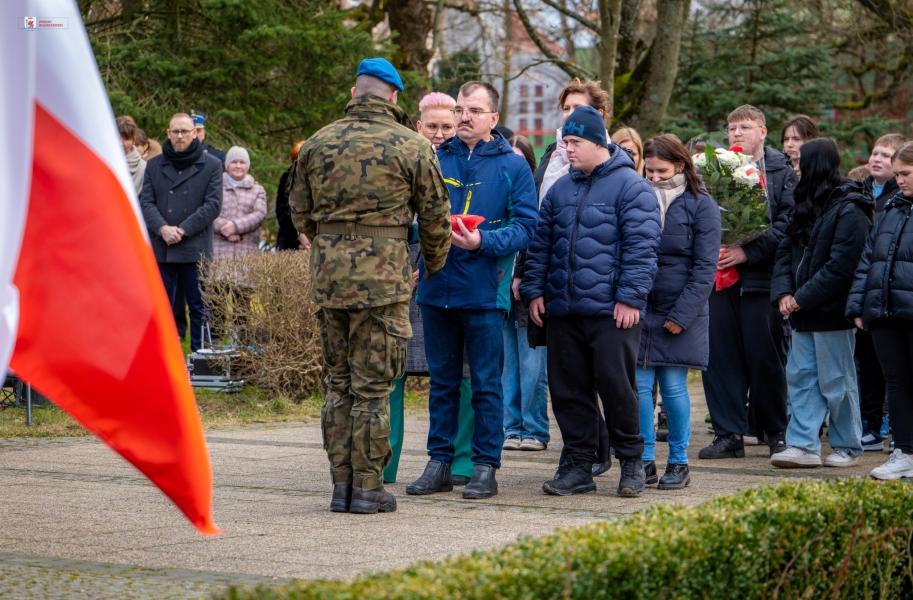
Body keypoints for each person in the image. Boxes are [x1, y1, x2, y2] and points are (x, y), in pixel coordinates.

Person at [288, 58, 451, 514]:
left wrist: (328, 242)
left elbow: (298, 212)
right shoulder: (412, 146)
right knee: (373, 388)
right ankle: (367, 487)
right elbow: (437, 218)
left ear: (355, 92)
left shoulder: (317, 143)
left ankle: (340, 486)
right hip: (384, 283)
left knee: (338, 384)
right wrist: (433, 266)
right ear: (394, 97)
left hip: (329, 282)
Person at [408, 80, 538, 500]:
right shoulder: (432, 159)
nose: (465, 118)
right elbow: (412, 216)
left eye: (474, 111)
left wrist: (484, 242)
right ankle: (439, 462)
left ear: (493, 119)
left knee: (485, 383)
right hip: (436, 286)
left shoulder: (512, 165)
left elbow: (527, 226)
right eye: (461, 109)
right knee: (442, 382)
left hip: (485, 288)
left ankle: (485, 466)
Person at [522, 106, 661, 497]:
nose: (567, 150)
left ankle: (632, 463)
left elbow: (643, 248)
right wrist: (534, 291)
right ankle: (580, 465)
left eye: (575, 142)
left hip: (611, 312)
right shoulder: (561, 189)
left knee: (618, 388)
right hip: (563, 310)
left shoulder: (632, 188)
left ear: (599, 142)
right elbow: (541, 245)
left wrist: (631, 297)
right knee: (568, 392)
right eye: (564, 142)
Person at [384, 91, 476, 487]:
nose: (439, 134)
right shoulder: (398, 159)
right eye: (432, 126)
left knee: (461, 370)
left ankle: (460, 461)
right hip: (405, 276)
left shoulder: (466, 161)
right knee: (393, 370)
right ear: (418, 126)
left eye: (447, 127)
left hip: (455, 273)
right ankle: (383, 461)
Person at [700, 104, 796, 460]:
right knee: (720, 358)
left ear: (763, 131)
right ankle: (728, 433)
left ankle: (775, 431)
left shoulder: (782, 172)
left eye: (744, 127)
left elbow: (787, 225)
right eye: (732, 128)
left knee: (765, 358)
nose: (736, 133)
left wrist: (748, 252)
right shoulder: (716, 167)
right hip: (720, 278)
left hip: (761, 278)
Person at [769, 138, 870, 468]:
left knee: (837, 381)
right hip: (802, 312)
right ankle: (803, 444)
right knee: (800, 377)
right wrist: (784, 293)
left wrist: (800, 298)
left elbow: (841, 266)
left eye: (800, 164)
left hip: (831, 313)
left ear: (816, 166)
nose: (795, 169)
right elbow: (785, 250)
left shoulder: (850, 207)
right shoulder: (805, 203)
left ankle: (847, 444)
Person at [532, 78, 614, 477]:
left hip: (599, 291)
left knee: (600, 378)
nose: (569, 117)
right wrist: (527, 280)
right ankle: (578, 450)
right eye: (564, 109)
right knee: (564, 378)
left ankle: (604, 449)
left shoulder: (614, 161)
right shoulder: (551, 155)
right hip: (554, 284)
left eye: (578, 109)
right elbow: (538, 220)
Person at [638, 134, 721, 489]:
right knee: (639, 388)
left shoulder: (702, 205)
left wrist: (681, 315)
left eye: (661, 170)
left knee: (672, 387)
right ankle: (641, 459)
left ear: (681, 165)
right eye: (649, 170)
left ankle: (678, 461)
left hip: (679, 310)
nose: (653, 177)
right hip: (640, 307)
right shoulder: (637, 197)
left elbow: (705, 268)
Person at [846, 141, 913, 480]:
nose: (899, 180)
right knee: (897, 382)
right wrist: (860, 304)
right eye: (898, 174)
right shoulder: (890, 208)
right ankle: (904, 451)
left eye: (905, 173)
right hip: (886, 312)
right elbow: (868, 260)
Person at [140, 112, 222, 352]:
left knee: (198, 305)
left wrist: (183, 230)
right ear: (168, 133)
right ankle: (164, 358)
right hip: (162, 245)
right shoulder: (154, 166)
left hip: (194, 246)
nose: (179, 136)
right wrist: (163, 228)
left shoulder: (212, 165)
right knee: (162, 306)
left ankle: (199, 356)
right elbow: (146, 202)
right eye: (175, 131)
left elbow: (213, 205)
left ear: (195, 133)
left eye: (185, 131)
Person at [856, 133, 905, 451]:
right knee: (880, 373)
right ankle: (886, 434)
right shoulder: (874, 201)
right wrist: (859, 302)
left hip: (903, 302)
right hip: (878, 302)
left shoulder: (896, 203)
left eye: (886, 155)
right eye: (874, 152)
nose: (876, 159)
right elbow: (868, 259)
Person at [501, 135, 549, 452]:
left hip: (527, 291)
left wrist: (524, 279)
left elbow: (537, 246)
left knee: (532, 366)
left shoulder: (538, 201)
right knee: (508, 365)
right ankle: (511, 427)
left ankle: (535, 428)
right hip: (499, 291)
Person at [213, 146, 267, 260]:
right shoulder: (214, 186)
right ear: (227, 165)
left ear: (247, 166)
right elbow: (208, 211)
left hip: (247, 252)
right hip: (218, 252)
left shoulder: (257, 189)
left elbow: (260, 214)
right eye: (234, 162)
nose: (238, 166)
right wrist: (225, 229)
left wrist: (235, 227)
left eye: (242, 162)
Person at [275, 140, 306, 251]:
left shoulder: (319, 178)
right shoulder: (286, 178)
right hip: (290, 239)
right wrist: (299, 235)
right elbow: (282, 211)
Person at [117, 116, 146, 193]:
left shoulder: (144, 168)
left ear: (133, 140)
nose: (120, 143)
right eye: (117, 137)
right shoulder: (100, 161)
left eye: (126, 139)